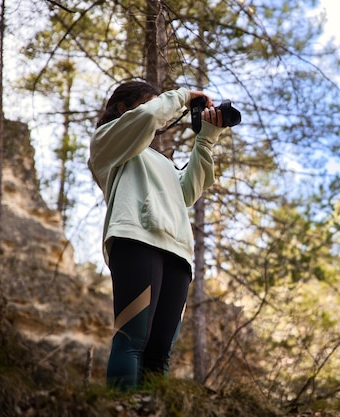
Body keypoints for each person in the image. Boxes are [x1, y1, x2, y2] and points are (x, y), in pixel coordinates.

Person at [88, 80, 224, 389]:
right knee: (132, 338)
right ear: (123, 107)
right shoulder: (107, 142)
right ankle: (122, 411)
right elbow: (148, 118)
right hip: (136, 240)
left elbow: (189, 190)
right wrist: (181, 97)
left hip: (177, 251)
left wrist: (207, 139)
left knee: (160, 352)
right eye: (150, 101)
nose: (156, 108)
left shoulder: (161, 161)